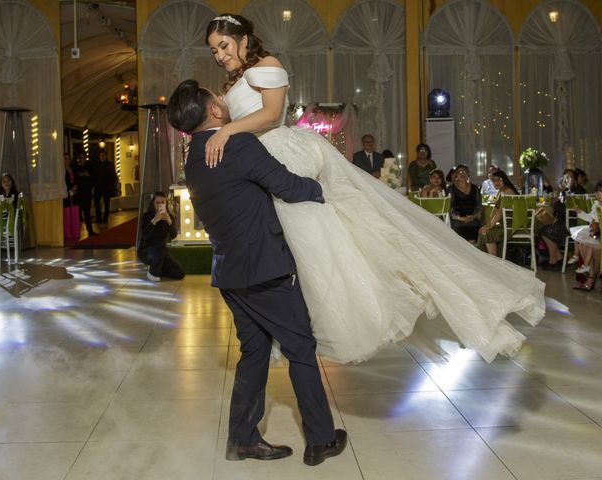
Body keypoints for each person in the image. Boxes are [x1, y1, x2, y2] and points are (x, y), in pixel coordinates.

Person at [202, 13, 545, 364]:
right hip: (262, 159)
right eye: (214, 50)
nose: (220, 55)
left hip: (284, 153)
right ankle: (295, 318)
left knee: (331, 237)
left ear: (244, 39)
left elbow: (272, 113)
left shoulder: (267, 65)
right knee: (320, 242)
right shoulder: (233, 84)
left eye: (224, 45)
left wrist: (226, 131)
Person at [167, 79, 347, 465]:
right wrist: (326, 190)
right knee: (300, 348)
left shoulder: (194, 157)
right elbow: (287, 186)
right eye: (218, 96)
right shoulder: (237, 144)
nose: (223, 98)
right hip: (265, 270)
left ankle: (242, 438)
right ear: (214, 110)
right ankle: (320, 439)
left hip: (231, 272)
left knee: (254, 352)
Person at [137, 191, 185, 282]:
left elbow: (174, 235)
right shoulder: (147, 216)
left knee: (179, 274)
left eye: (162, 202)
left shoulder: (168, 216)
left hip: (161, 252)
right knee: (160, 247)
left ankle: (158, 268)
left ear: (166, 203)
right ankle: (153, 273)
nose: (160, 205)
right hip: (147, 250)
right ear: (153, 203)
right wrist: (154, 221)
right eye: (157, 202)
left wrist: (169, 222)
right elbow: (145, 236)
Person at [477, 170, 519, 256]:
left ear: (504, 179)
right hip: (504, 224)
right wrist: (488, 224)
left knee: (486, 233)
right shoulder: (501, 191)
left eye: (499, 180)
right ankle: (488, 260)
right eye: (494, 180)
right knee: (483, 231)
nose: (496, 182)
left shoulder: (508, 191)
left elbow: (500, 211)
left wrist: (489, 226)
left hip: (512, 226)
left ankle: (494, 261)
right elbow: (495, 209)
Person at [571, 181, 602, 290]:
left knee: (592, 245)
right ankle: (591, 274)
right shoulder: (596, 205)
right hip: (598, 233)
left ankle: (592, 276)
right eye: (598, 196)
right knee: (583, 243)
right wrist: (580, 213)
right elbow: (591, 218)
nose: (599, 199)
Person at [449, 164, 482, 243]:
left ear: (468, 174)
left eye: (464, 171)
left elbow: (479, 206)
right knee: (460, 230)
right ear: (456, 175)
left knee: (476, 229)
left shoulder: (475, 188)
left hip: (473, 219)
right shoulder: (451, 189)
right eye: (460, 172)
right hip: (457, 220)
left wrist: (473, 217)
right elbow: (450, 208)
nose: (462, 173)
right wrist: (460, 218)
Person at [92, 151, 118, 224]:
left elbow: (113, 176)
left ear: (106, 156)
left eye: (103, 156)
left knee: (106, 204)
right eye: (100, 156)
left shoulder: (110, 165)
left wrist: (111, 186)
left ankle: (105, 219)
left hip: (106, 188)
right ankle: (98, 218)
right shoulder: (97, 165)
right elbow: (94, 176)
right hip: (98, 188)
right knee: (96, 203)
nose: (102, 157)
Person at [74, 153, 96, 237]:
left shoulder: (90, 166)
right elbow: (77, 177)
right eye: (81, 157)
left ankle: (90, 230)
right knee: (78, 213)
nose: (82, 159)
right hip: (79, 194)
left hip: (87, 193)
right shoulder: (76, 167)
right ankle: (77, 232)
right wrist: (85, 174)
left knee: (87, 212)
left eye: (83, 157)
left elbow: (92, 177)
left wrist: (86, 175)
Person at [63, 154, 80, 240]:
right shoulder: (61, 170)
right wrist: (70, 189)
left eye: (68, 159)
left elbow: (77, 179)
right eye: (65, 159)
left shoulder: (73, 169)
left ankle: (75, 233)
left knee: (75, 212)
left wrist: (75, 186)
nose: (66, 160)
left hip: (74, 193)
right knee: (67, 214)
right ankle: (68, 234)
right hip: (66, 194)